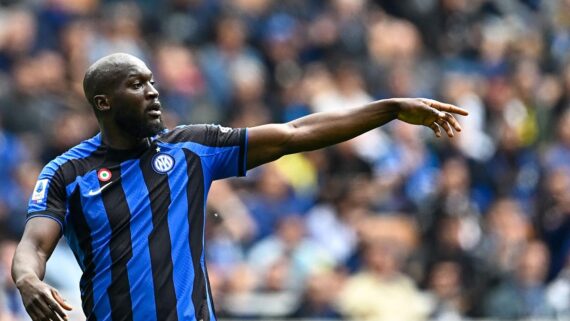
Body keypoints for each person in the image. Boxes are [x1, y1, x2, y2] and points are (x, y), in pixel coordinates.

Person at [11, 53, 467, 321]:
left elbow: (295, 133)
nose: (152, 92)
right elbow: (34, 244)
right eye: (136, 84)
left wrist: (388, 109)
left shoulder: (191, 148)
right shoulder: (68, 173)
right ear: (104, 102)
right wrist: (27, 280)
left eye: (152, 81)